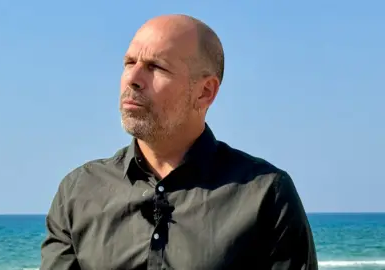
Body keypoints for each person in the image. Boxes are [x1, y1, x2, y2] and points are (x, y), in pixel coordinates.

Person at [40, 14, 318, 270]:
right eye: (129, 63)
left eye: (155, 67)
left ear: (204, 92)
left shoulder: (266, 195)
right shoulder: (78, 193)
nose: (133, 79)